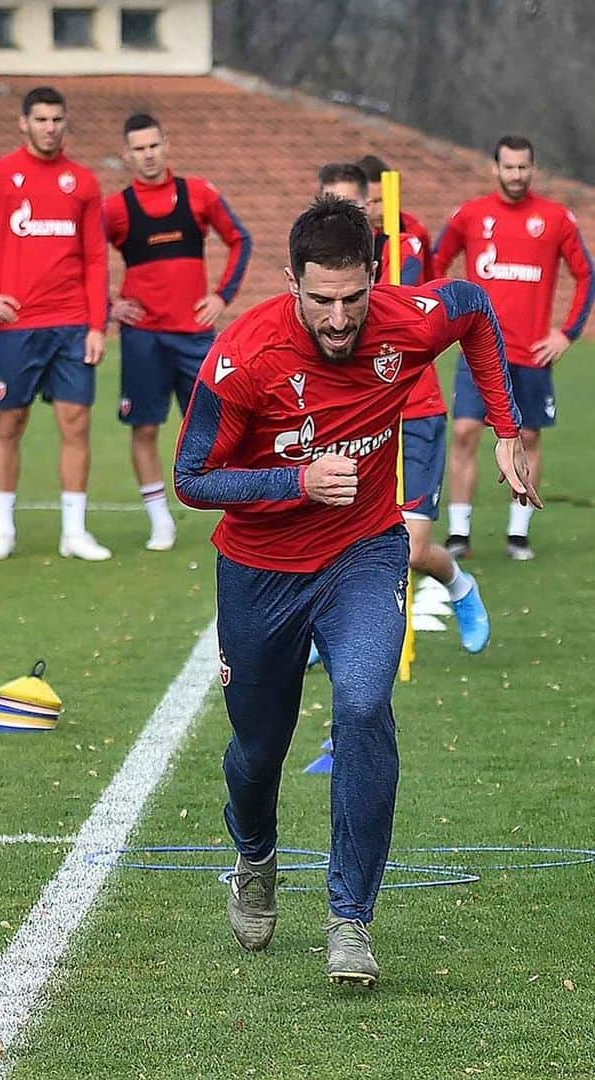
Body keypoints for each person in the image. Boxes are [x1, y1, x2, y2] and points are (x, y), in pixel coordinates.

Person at [174, 195, 538, 985]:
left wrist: (506, 428)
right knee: (256, 750)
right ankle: (256, 853)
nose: (339, 319)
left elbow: (473, 306)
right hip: (259, 572)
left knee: (367, 707)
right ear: (291, 283)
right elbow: (192, 477)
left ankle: (350, 919)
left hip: (365, 554)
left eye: (352, 297)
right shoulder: (244, 354)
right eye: (320, 300)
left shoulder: (406, 319)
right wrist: (296, 480)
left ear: (375, 277)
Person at [319, 165, 489, 654]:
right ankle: (330, 631)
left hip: (414, 409)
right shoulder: (316, 264)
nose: (345, 212)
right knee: (338, 539)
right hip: (351, 411)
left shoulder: (406, 244)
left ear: (373, 203)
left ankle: (460, 586)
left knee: (411, 548)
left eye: (355, 202)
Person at [0, 86, 110, 562]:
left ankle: (74, 533)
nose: (49, 127)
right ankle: (3, 530)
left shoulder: (82, 182)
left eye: (57, 119)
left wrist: (98, 324)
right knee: (9, 423)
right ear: (24, 123)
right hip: (16, 326)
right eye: (40, 119)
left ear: (65, 122)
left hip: (72, 323)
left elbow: (97, 258)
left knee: (75, 424)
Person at [434, 134, 593, 560]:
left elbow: (586, 275)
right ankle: (459, 532)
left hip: (531, 354)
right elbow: (435, 265)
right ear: (495, 168)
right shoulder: (470, 215)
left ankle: (518, 532)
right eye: (509, 167)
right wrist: (446, 321)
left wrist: (567, 332)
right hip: (478, 351)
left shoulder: (556, 218)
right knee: (465, 432)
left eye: (524, 167)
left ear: (533, 169)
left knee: (527, 436)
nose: (517, 175)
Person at [105, 112, 251, 551]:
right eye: (139, 149)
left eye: (154, 145)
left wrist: (222, 296)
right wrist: (110, 304)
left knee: (216, 427)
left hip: (194, 336)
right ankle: (160, 521)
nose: (148, 155)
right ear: (126, 155)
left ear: (166, 146)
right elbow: (86, 258)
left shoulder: (199, 194)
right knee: (145, 428)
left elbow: (240, 239)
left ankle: (236, 514)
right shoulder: (116, 208)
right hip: (144, 337)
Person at [355, 153, 433, 281]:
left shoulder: (415, 229)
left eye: (386, 200)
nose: (382, 210)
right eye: (373, 201)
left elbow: (431, 279)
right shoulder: (349, 234)